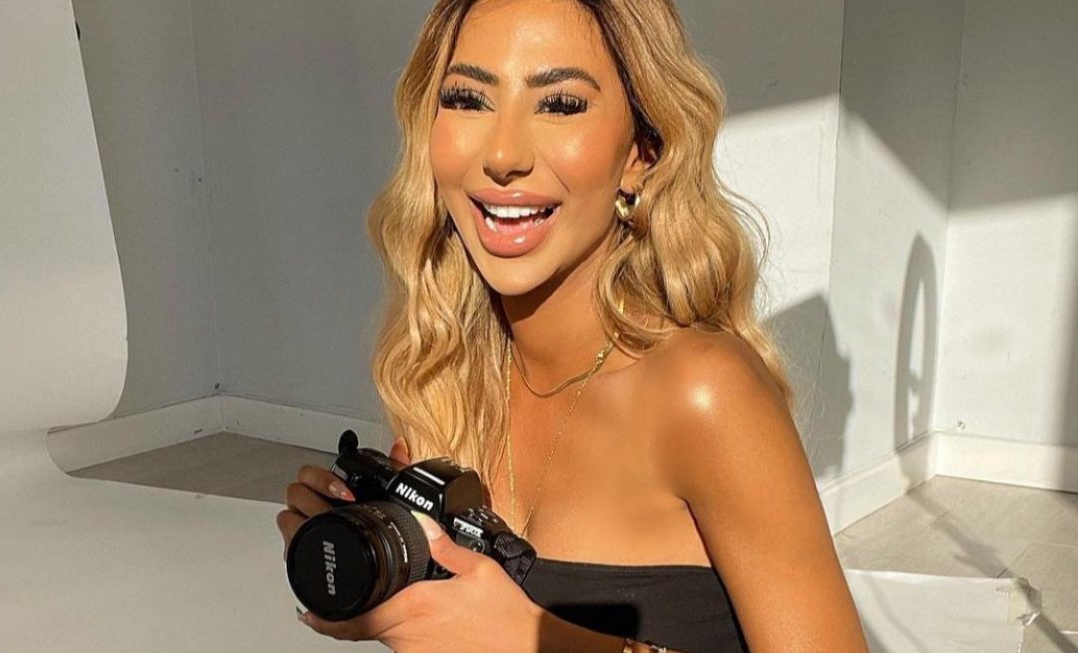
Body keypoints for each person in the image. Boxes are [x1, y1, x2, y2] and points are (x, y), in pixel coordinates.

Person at [276, 0, 870, 651]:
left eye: (560, 105)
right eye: (468, 99)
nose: (503, 153)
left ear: (642, 153)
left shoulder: (704, 391)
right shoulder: (443, 380)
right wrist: (376, 568)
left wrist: (530, 640)